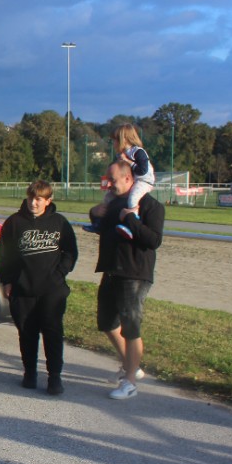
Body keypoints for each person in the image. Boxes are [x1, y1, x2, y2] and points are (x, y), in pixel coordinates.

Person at [0, 180, 78, 396]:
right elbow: (3, 255)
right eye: (31, 198)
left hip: (52, 289)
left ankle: (54, 377)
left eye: (39, 199)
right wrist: (7, 280)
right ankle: (30, 372)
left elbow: (70, 252)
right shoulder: (14, 223)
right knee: (27, 332)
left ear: (48, 200)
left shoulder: (59, 222)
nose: (33, 203)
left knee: (53, 332)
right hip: (23, 289)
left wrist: (59, 274)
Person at [94, 160, 165, 400]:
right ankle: (130, 365)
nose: (109, 184)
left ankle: (131, 382)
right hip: (111, 271)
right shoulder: (115, 203)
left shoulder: (151, 206)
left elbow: (153, 240)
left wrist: (132, 219)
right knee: (106, 323)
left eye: (112, 180)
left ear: (128, 178)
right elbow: (102, 227)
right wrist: (95, 213)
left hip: (134, 274)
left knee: (131, 327)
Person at [87, 123, 156, 239]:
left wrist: (127, 161)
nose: (113, 143)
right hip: (132, 181)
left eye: (115, 140)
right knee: (108, 198)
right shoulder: (121, 154)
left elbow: (142, 171)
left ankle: (130, 226)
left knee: (133, 198)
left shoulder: (138, 151)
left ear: (123, 139)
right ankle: (99, 224)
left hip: (144, 181)